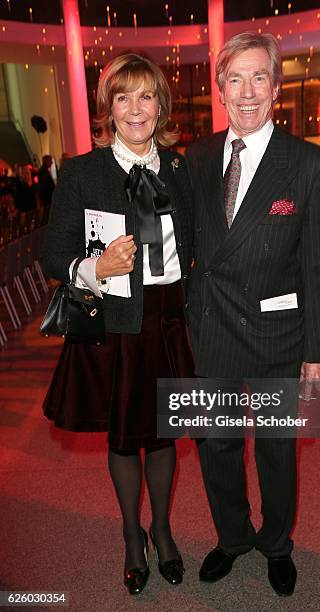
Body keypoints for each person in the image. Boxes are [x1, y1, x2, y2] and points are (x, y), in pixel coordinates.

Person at [185, 32, 320, 597]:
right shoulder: (199, 157)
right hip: (211, 332)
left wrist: (318, 353)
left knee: (276, 450)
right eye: (234, 79)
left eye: (258, 78)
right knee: (218, 446)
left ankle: (276, 543)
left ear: (276, 88)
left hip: (279, 334)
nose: (246, 91)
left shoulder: (311, 166)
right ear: (220, 89)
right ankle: (232, 537)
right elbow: (180, 241)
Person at [41, 53, 194, 596]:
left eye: (146, 96)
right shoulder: (83, 171)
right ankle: (133, 534)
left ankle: (164, 528)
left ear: (161, 106)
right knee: (127, 435)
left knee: (164, 433)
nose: (135, 109)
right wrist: (93, 267)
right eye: (123, 97)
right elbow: (53, 254)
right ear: (108, 108)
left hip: (170, 320)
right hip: (116, 323)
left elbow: (198, 244)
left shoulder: (178, 168)